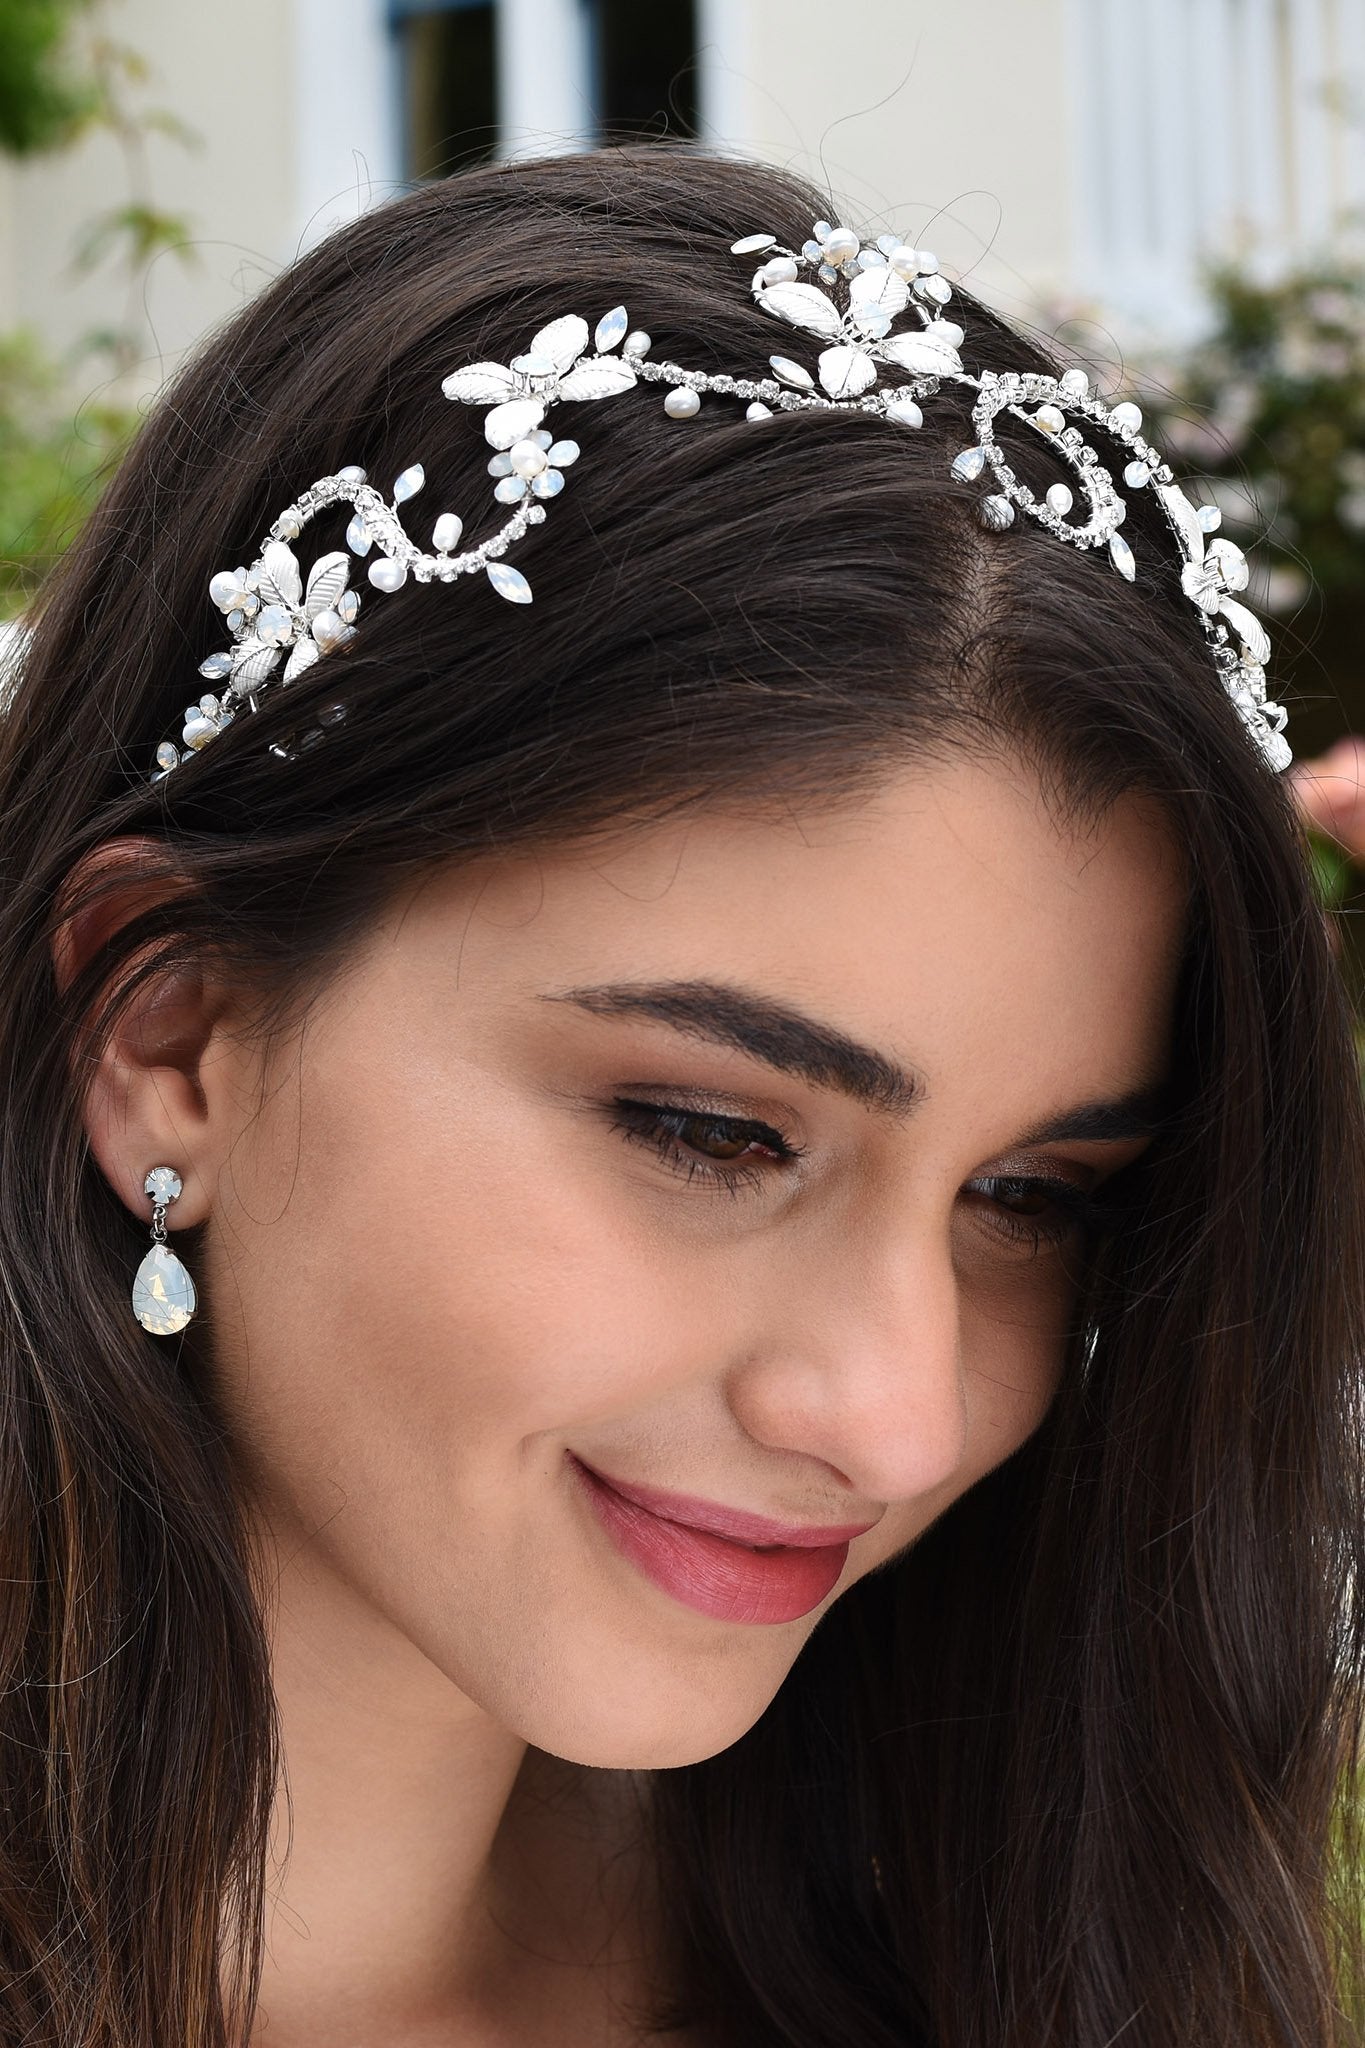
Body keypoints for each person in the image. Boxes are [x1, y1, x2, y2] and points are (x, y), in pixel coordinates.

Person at [0, 144, 1360, 2048]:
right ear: (170, 1040)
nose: (891, 1418)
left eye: (1031, 1196)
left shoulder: (1032, 1965)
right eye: (710, 1133)